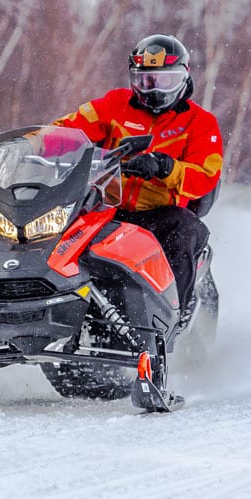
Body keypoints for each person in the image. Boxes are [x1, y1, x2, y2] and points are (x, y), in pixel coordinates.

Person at [53, 34, 223, 325]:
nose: (154, 90)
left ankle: (172, 316)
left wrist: (165, 167)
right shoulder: (114, 104)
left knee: (185, 232)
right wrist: (33, 146)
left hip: (160, 214)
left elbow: (205, 176)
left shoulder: (200, 122)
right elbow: (68, 129)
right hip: (105, 207)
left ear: (184, 77)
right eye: (145, 81)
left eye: (164, 81)